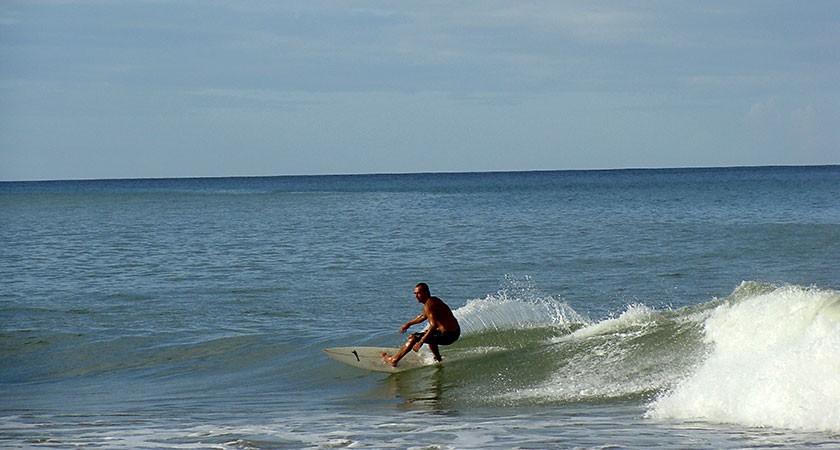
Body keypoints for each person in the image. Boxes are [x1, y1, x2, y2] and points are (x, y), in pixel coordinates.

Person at [381, 283, 460, 367]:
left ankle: (394, 360)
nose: (416, 296)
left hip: (448, 336)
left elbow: (433, 326)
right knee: (429, 334)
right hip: (455, 332)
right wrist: (409, 324)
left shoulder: (429, 304)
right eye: (415, 293)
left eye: (419, 293)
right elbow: (423, 316)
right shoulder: (433, 301)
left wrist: (421, 342)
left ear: (426, 292)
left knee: (413, 337)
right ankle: (438, 358)